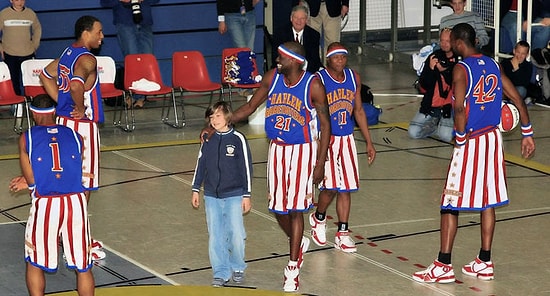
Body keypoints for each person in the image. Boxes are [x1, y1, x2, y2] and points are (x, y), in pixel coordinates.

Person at [412, 23, 535, 284]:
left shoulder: (461, 68)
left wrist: (459, 139)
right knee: (487, 201)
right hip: (493, 139)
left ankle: (443, 264)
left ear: (458, 42)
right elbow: (516, 98)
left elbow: (458, 109)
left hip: (472, 141)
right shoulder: (492, 63)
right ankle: (484, 261)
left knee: (449, 202)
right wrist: (527, 132)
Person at [221, 41, 331, 292]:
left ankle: (292, 267)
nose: (276, 60)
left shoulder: (313, 85)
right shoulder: (273, 78)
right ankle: (298, 240)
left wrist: (320, 162)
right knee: (278, 209)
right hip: (277, 150)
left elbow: (326, 125)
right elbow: (250, 107)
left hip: (303, 150)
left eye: (281, 57)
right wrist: (221, 122)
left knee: (296, 210)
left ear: (294, 61)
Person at [40, 15, 106, 261]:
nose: (101, 36)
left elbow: (46, 75)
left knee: (68, 180)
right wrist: (78, 107)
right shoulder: (87, 58)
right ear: (86, 33)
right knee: (84, 186)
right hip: (82, 127)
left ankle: (59, 233)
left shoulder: (69, 52)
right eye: (98, 31)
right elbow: (77, 84)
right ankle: (78, 240)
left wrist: (62, 102)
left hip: (63, 122)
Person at [17, 94, 95, 296]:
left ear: (33, 113)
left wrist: (30, 182)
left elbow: (32, 179)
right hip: (75, 202)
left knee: (34, 261)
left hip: (47, 203)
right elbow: (72, 167)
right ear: (54, 112)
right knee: (83, 266)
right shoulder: (75, 135)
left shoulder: (27, 137)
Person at [308, 42, 376, 253]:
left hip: (346, 137)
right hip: (326, 137)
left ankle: (343, 233)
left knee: (346, 187)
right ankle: (319, 217)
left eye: (343, 57)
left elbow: (359, 111)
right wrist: (317, 142)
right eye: (336, 57)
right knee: (330, 187)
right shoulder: (319, 80)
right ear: (328, 59)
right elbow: (311, 112)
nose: (340, 61)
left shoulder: (353, 78)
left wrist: (369, 141)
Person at [191, 101, 253, 288]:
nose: (214, 120)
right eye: (211, 117)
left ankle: (238, 266)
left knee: (236, 233)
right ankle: (220, 271)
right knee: (215, 235)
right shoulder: (207, 139)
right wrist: (195, 189)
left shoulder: (238, 139)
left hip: (234, 194)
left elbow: (246, 169)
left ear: (227, 116)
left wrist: (247, 194)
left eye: (218, 115)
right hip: (211, 195)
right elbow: (200, 165)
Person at [100, 0, 160, 108]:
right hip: (125, 23)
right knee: (132, 60)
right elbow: (104, 2)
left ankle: (142, 96)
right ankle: (135, 95)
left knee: (147, 60)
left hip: (145, 22)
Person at [408, 28, 459, 143]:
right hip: (431, 105)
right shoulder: (434, 57)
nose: (444, 44)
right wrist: (430, 69)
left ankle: (448, 125)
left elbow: (455, 83)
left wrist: (443, 71)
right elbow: (424, 86)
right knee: (413, 132)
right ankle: (435, 126)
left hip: (449, 107)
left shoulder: (459, 59)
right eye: (442, 41)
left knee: (445, 137)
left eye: (448, 41)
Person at [0, 0, 42, 95]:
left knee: (30, 81)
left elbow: (37, 29)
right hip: (10, 54)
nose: (20, 2)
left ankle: (30, 103)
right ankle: (18, 104)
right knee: (13, 82)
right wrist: (1, 48)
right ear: (11, 0)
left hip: (27, 53)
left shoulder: (30, 14)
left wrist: (35, 45)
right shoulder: (4, 14)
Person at [272, 4, 323, 74]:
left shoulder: (314, 35)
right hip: (285, 70)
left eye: (302, 18)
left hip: (306, 71)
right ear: (291, 18)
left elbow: (315, 60)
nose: (299, 21)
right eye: (296, 17)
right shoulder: (280, 33)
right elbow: (276, 58)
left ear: (307, 20)